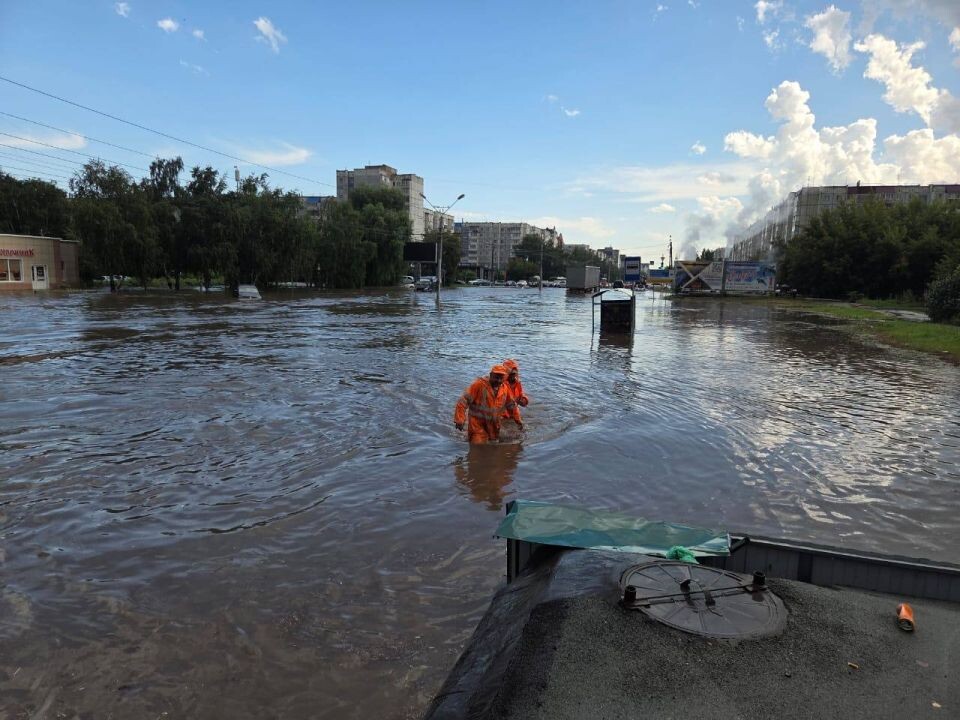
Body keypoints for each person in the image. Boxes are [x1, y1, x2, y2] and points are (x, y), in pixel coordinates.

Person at [454, 364, 522, 443]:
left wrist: (518, 421)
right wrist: (460, 420)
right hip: (477, 425)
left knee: (494, 444)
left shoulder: (504, 388)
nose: (498, 381)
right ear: (490, 375)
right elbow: (463, 401)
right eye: (496, 377)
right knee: (478, 445)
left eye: (501, 378)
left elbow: (511, 406)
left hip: (494, 425)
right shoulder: (478, 385)